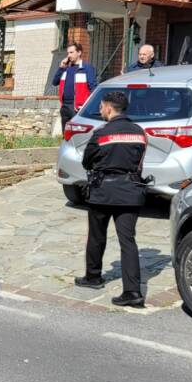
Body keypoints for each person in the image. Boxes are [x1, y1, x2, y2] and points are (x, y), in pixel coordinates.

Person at [74, 90, 148, 308]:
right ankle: (133, 292)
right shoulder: (139, 132)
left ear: (108, 107)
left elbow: (87, 162)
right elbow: (140, 162)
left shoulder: (101, 133)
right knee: (128, 241)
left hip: (102, 192)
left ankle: (93, 276)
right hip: (131, 191)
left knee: (97, 235)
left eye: (101, 106)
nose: (100, 110)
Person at [52, 42, 97, 130]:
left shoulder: (86, 68)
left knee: (77, 134)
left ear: (79, 52)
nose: (68, 55)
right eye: (68, 53)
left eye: (71, 52)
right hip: (64, 106)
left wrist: (88, 107)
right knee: (65, 134)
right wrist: (61, 68)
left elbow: (93, 87)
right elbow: (54, 82)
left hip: (77, 107)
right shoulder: (66, 68)